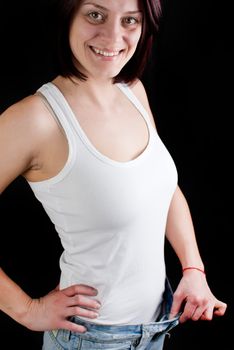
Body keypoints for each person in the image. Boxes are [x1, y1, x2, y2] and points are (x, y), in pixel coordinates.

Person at [0, 0, 227, 349]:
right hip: (91, 339)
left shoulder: (132, 89)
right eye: (96, 15)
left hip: (156, 327)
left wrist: (193, 269)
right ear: (69, 15)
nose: (113, 36)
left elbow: (161, 188)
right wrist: (27, 310)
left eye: (130, 20)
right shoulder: (36, 120)